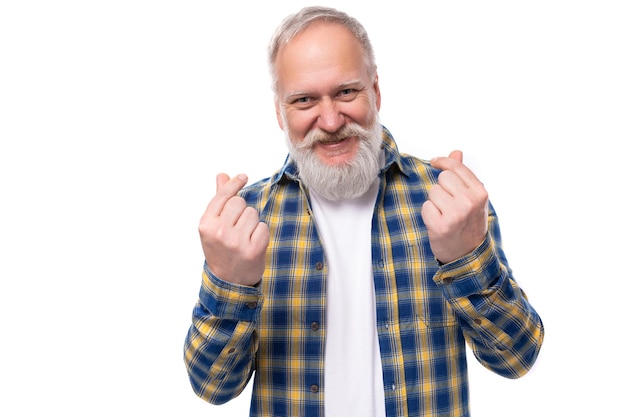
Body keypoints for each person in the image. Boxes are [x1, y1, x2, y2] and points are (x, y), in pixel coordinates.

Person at [183, 6, 544, 417]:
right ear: (280, 112)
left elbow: (516, 358)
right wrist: (231, 284)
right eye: (304, 100)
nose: (332, 119)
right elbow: (212, 387)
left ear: (375, 92)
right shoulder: (245, 220)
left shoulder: (450, 203)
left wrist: (467, 260)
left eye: (346, 92)